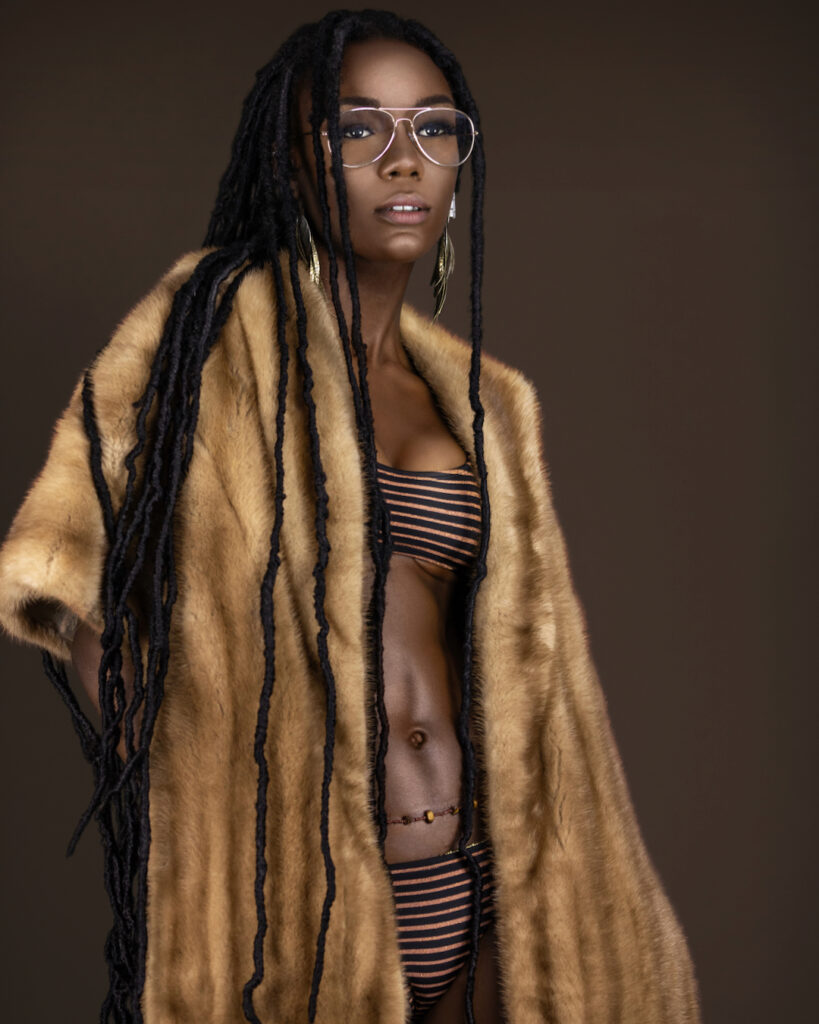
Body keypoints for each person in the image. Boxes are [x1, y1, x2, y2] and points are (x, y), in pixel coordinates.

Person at [0, 10, 701, 1024]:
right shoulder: (205, 334)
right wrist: (211, 805)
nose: (405, 161)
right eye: (358, 128)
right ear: (295, 160)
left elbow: (540, 679)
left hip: (490, 887)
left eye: (435, 128)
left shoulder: (487, 398)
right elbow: (62, 576)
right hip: (307, 902)